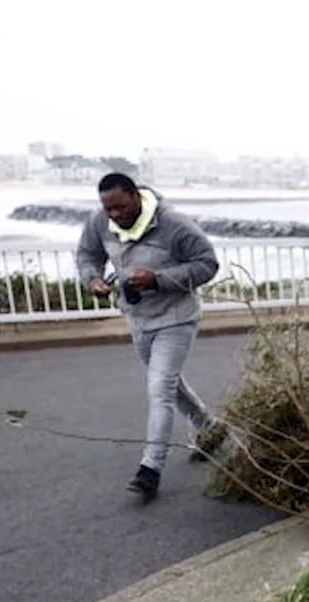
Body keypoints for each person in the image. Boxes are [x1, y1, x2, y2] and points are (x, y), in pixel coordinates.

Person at [76, 172, 225, 500]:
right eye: (107, 209)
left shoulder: (173, 224)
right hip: (138, 319)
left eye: (119, 206)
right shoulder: (100, 221)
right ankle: (210, 426)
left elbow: (208, 264)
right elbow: (87, 254)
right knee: (170, 384)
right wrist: (93, 279)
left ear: (135, 195)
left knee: (160, 389)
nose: (113, 215)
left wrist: (159, 279)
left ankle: (150, 469)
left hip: (176, 319)